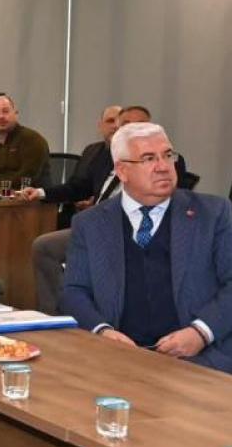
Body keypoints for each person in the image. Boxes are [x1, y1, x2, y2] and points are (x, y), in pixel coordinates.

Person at [63, 122, 232, 377]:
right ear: (122, 171)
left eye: (167, 155)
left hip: (201, 357)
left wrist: (200, 332)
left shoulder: (212, 213)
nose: (163, 166)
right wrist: (102, 331)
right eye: (148, 158)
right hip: (117, 357)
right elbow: (74, 291)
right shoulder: (90, 223)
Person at [24, 105, 190, 313]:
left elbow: (170, 202)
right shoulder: (104, 155)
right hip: (96, 224)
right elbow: (79, 187)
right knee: (45, 246)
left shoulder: (167, 161)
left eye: (140, 124)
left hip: (135, 229)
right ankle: (55, 316)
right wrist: (42, 193)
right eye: (126, 124)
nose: (133, 129)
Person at [0, 95, 50, 185]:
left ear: (16, 113)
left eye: (5, 111)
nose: (1, 116)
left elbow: (25, 179)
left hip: (25, 193)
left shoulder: (32, 140)